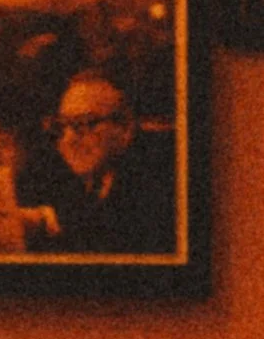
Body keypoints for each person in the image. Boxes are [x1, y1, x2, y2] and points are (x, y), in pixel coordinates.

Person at [22, 75, 176, 256]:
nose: (68, 138)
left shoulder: (160, 185)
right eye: (62, 126)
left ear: (125, 129)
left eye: (85, 124)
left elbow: (114, 244)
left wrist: (45, 222)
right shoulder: (64, 175)